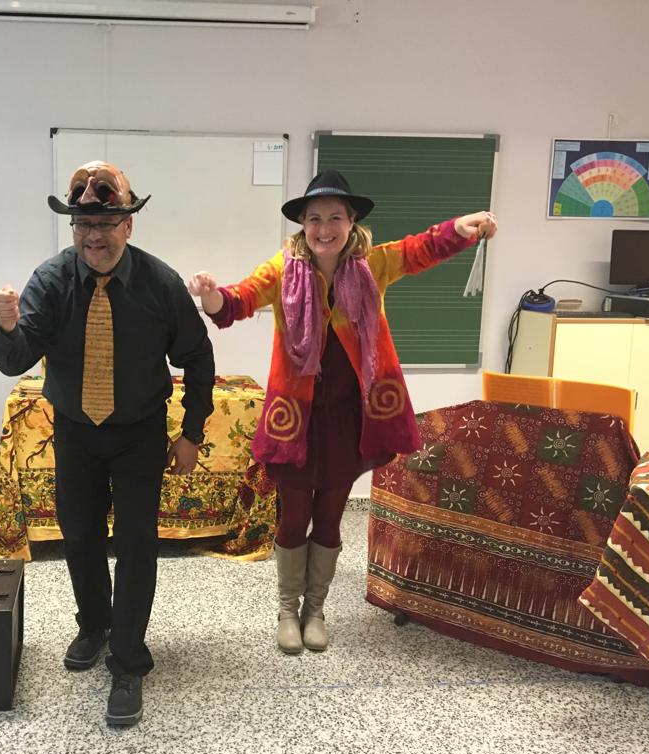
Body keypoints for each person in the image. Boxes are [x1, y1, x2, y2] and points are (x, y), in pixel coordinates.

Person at [188, 169, 497, 655]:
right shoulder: (283, 269)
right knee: (294, 518)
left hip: (349, 419)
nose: (324, 228)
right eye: (314, 218)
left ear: (352, 222)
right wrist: (210, 294)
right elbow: (238, 300)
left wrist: (461, 228)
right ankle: (287, 611)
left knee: (330, 518)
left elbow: (420, 249)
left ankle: (315, 610)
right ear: (302, 225)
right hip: (297, 419)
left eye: (335, 217)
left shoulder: (373, 264)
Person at [0, 161, 215, 726]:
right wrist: (9, 327)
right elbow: (15, 360)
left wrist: (191, 432)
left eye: (106, 223)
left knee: (136, 543)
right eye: (84, 224)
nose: (94, 236)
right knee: (80, 534)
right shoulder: (50, 281)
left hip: (139, 432)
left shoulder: (160, 283)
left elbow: (197, 356)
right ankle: (94, 624)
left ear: (128, 225)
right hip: (75, 431)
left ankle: (129, 661)